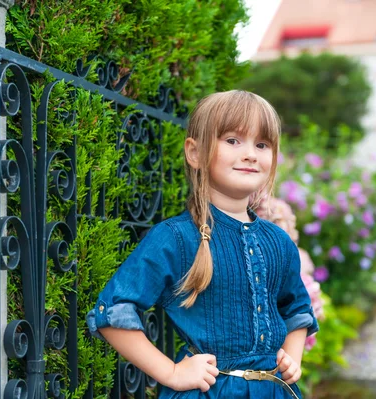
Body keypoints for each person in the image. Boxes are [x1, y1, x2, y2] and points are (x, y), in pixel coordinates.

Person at [87, 90, 319, 398]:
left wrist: (292, 357)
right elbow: (112, 311)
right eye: (233, 141)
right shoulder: (176, 238)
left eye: (261, 144)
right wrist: (171, 371)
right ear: (194, 152)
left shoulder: (278, 240)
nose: (250, 153)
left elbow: (297, 308)